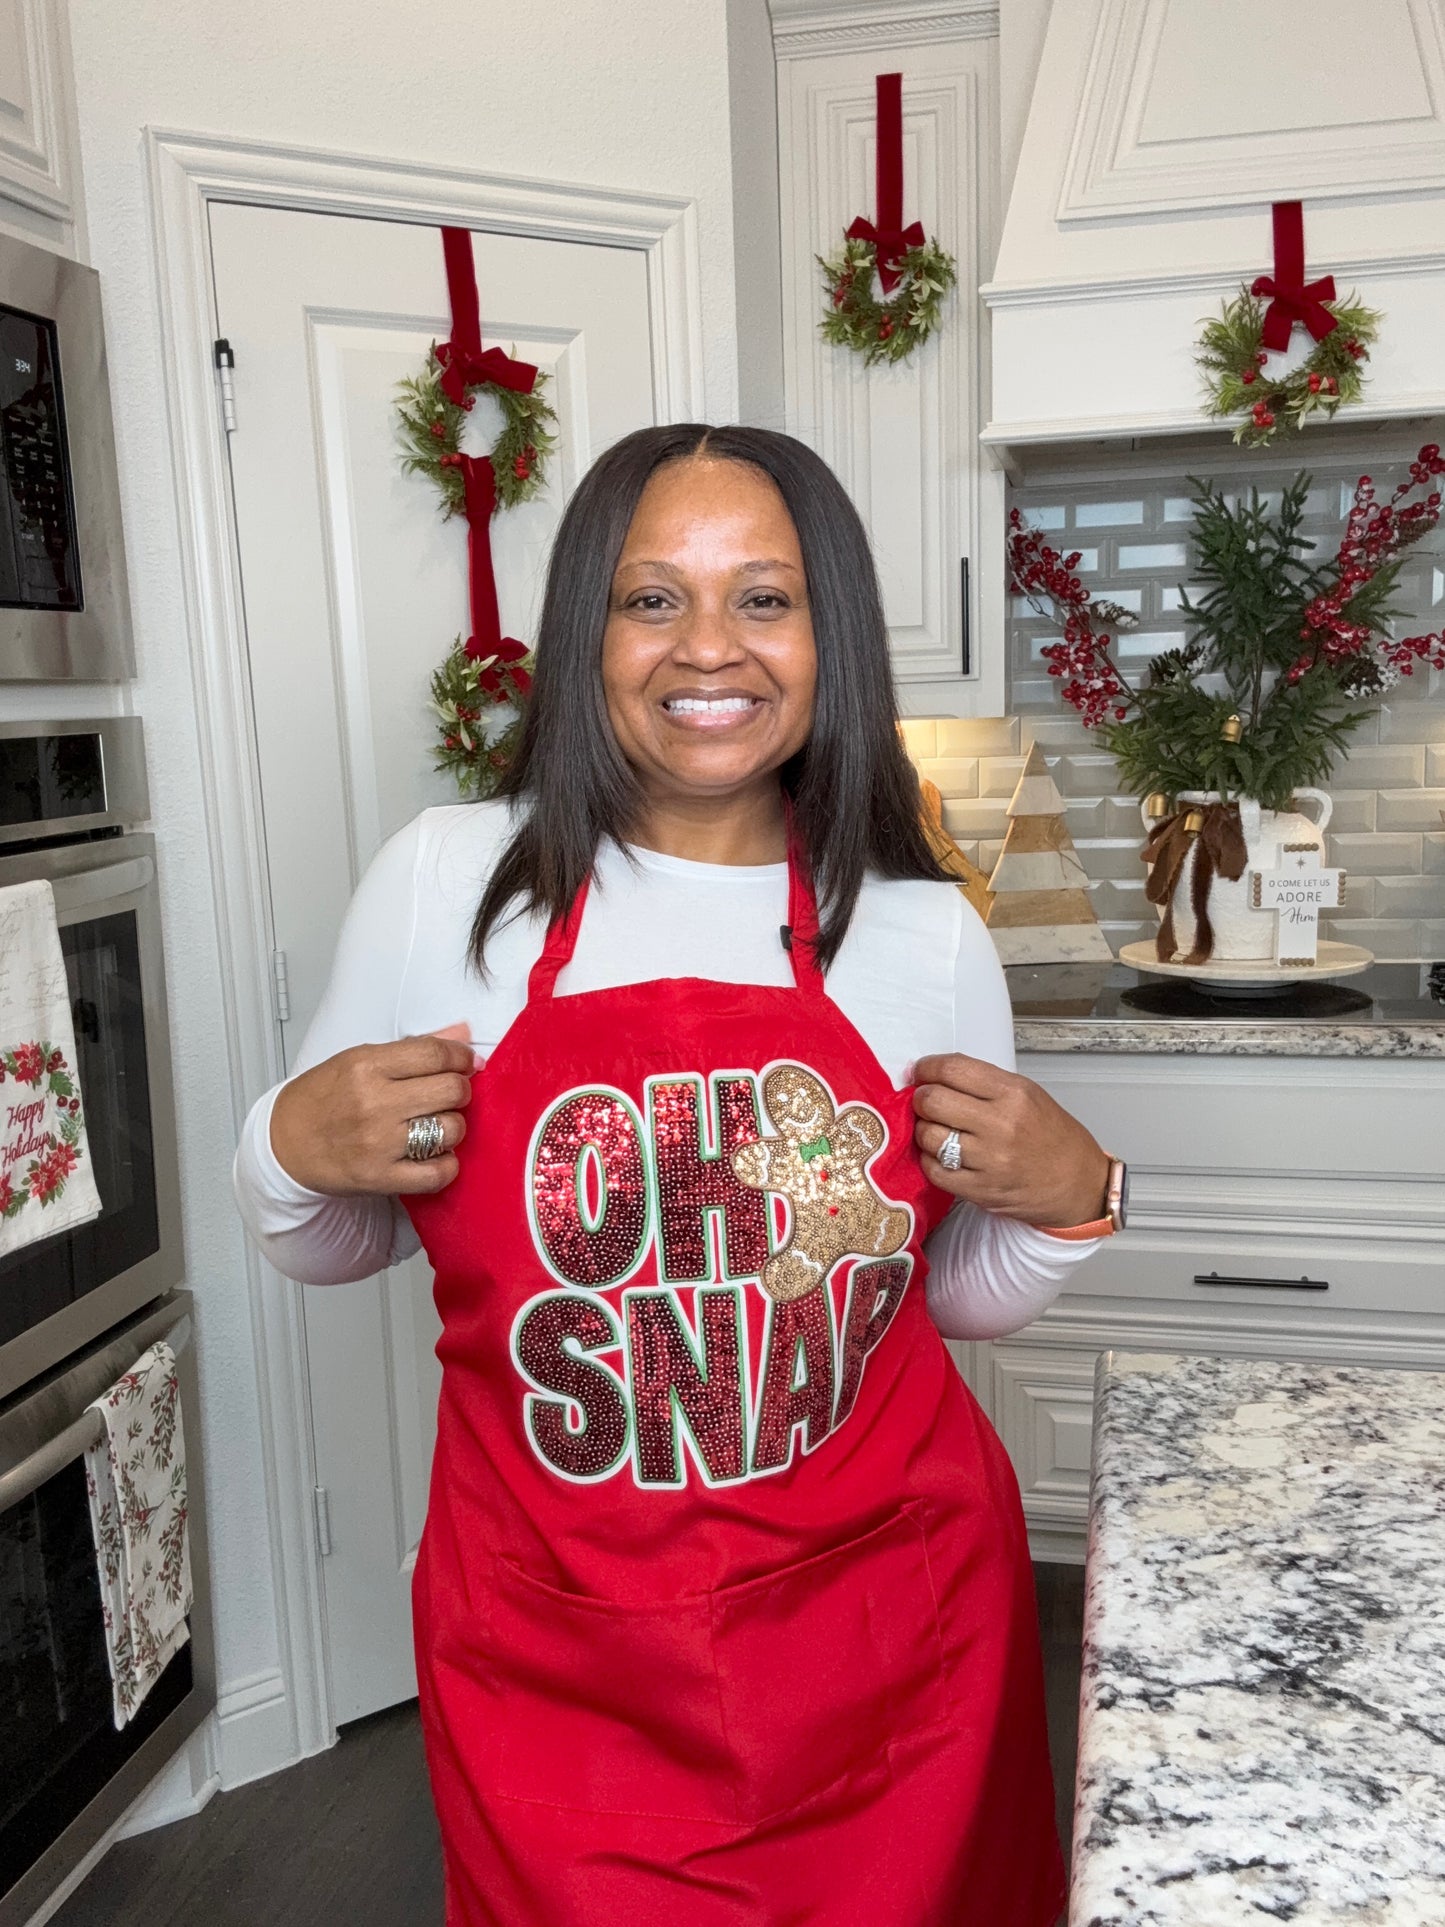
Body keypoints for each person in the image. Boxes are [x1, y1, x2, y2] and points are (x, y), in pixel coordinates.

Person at [234, 424, 1121, 1926]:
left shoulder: (918, 932)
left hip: (886, 1653)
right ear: (586, 632)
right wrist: (283, 1149)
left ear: (828, 632)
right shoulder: (449, 884)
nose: (707, 647)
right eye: (653, 599)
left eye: (763, 598)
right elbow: (343, 1245)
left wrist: (1078, 1200)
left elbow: (945, 1301)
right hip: (563, 1664)